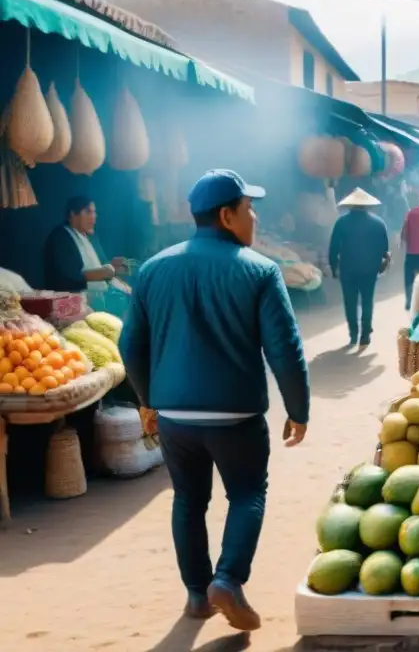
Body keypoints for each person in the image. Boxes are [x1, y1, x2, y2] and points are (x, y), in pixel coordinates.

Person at [119, 169, 310, 632]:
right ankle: (227, 579)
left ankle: (196, 595)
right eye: (249, 207)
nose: (255, 216)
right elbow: (284, 349)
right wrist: (298, 409)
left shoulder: (152, 268)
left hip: (174, 418)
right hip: (236, 416)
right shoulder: (260, 270)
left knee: (188, 498)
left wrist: (147, 401)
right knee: (247, 493)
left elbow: (129, 345)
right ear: (227, 215)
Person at [328, 188, 391, 348]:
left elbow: (333, 248)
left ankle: (353, 334)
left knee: (350, 302)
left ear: (350, 205)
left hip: (347, 269)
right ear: (367, 206)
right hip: (370, 270)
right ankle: (365, 335)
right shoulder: (378, 223)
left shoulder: (341, 222)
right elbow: (385, 249)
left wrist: (334, 266)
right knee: (367, 301)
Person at [42, 195, 126, 293]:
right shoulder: (60, 238)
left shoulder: (91, 237)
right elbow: (66, 277)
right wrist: (99, 273)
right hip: (73, 300)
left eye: (94, 212)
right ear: (73, 213)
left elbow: (102, 264)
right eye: (88, 212)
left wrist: (112, 266)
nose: (94, 216)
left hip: (101, 297)